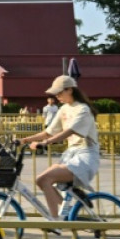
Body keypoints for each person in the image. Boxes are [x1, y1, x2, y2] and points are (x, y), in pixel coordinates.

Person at [20, 75, 100, 219]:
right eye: (55, 94)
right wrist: (24, 140)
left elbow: (69, 131)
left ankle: (56, 220)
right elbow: (48, 132)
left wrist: (46, 143)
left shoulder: (83, 109)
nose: (57, 96)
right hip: (71, 155)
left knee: (44, 179)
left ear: (69, 90)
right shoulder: (63, 109)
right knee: (41, 180)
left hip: (85, 156)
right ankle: (66, 215)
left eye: (59, 93)